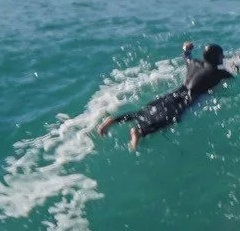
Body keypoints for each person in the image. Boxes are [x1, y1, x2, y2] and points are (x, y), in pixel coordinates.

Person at [97, 42, 233, 150]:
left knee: (146, 111)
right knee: (171, 118)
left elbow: (186, 56)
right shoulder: (219, 73)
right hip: (188, 98)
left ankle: (113, 120)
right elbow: (233, 76)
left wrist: (186, 49)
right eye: (221, 56)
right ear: (217, 58)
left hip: (177, 92)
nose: (223, 58)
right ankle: (140, 132)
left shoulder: (195, 63)